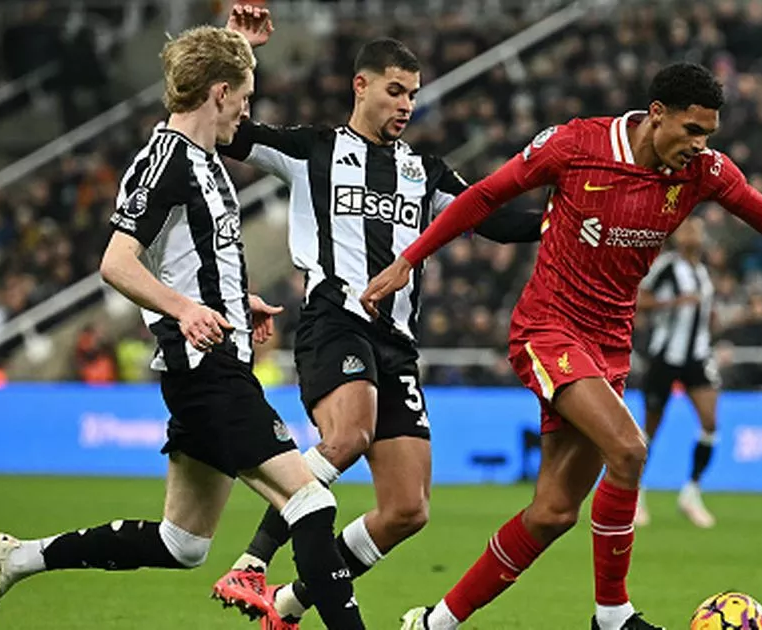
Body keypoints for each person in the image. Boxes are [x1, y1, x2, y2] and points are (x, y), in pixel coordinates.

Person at [362, 62, 762, 630]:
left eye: (708, 136)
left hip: (610, 345)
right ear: (657, 115)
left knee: (552, 512)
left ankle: (432, 624)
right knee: (629, 449)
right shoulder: (576, 145)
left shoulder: (702, 173)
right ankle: (612, 616)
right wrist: (408, 260)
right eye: (691, 130)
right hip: (548, 329)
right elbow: (484, 197)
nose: (699, 146)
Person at [0, 24, 363, 630]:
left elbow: (189, 260)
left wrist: (234, 303)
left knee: (184, 544)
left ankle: (19, 557)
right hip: (206, 372)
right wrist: (186, 311)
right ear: (221, 94)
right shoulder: (169, 162)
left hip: (210, 362)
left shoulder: (199, 160)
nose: (248, 112)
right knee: (310, 501)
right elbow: (116, 262)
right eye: (246, 98)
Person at [210, 5, 544, 619]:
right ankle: (251, 563)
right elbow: (226, 129)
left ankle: (286, 601)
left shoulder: (426, 172)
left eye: (413, 95)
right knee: (349, 434)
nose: (406, 105)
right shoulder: (311, 150)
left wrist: (566, 219)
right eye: (395, 91)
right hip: (334, 320)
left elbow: (494, 220)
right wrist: (235, 49)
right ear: (360, 86)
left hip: (397, 342)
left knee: (407, 510)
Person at [635, 214, 719, 529]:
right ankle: (635, 495)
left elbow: (704, 308)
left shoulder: (703, 271)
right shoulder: (667, 266)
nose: (693, 232)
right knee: (649, 430)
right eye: (687, 228)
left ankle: (691, 492)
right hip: (665, 356)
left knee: (710, 423)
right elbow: (639, 299)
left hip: (697, 355)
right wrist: (674, 304)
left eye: (697, 228)